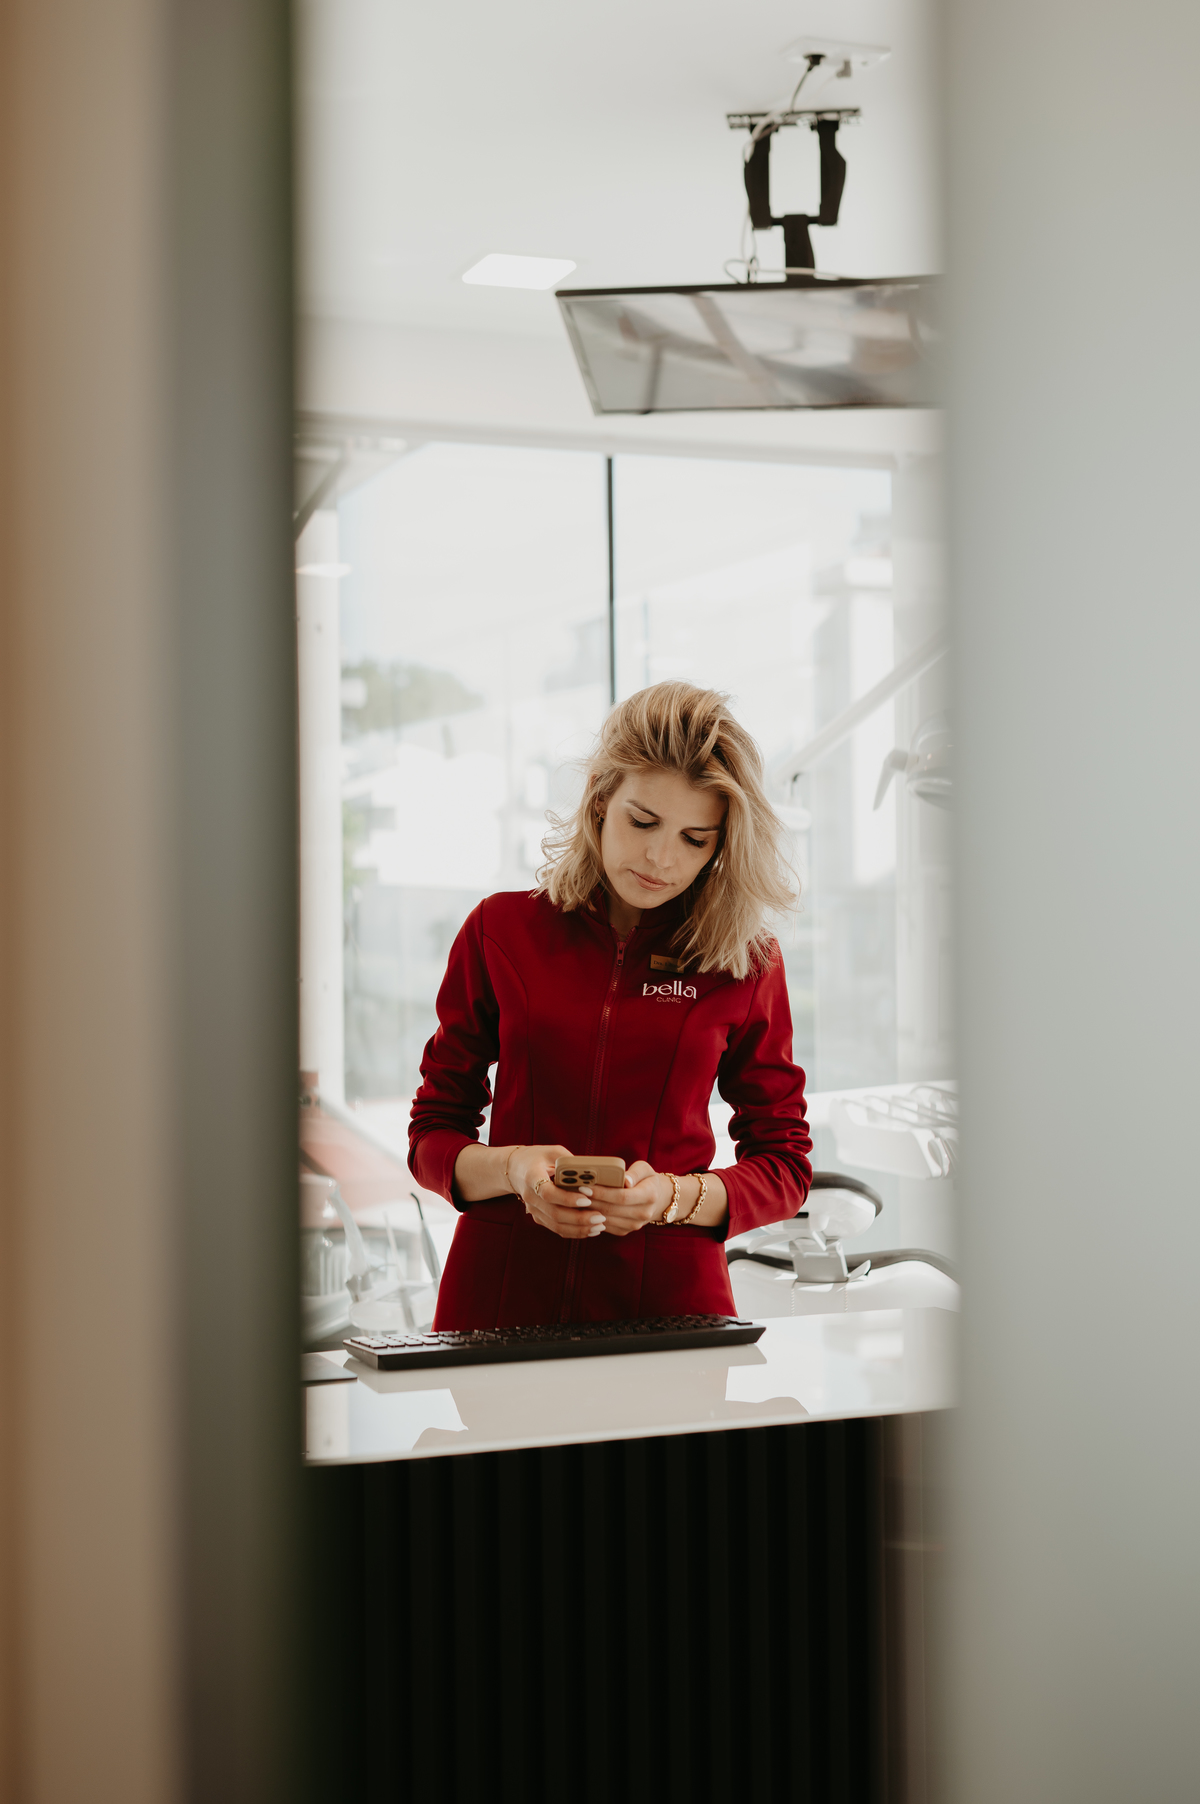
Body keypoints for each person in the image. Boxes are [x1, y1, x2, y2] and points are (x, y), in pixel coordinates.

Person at [408, 681, 812, 1328]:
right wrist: (515, 1170)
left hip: (672, 1311)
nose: (660, 857)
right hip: (498, 1301)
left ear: (720, 846)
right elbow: (432, 1135)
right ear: (600, 799)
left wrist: (672, 1198)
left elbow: (784, 1166)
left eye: (695, 838)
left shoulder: (743, 962)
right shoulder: (499, 931)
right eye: (642, 822)